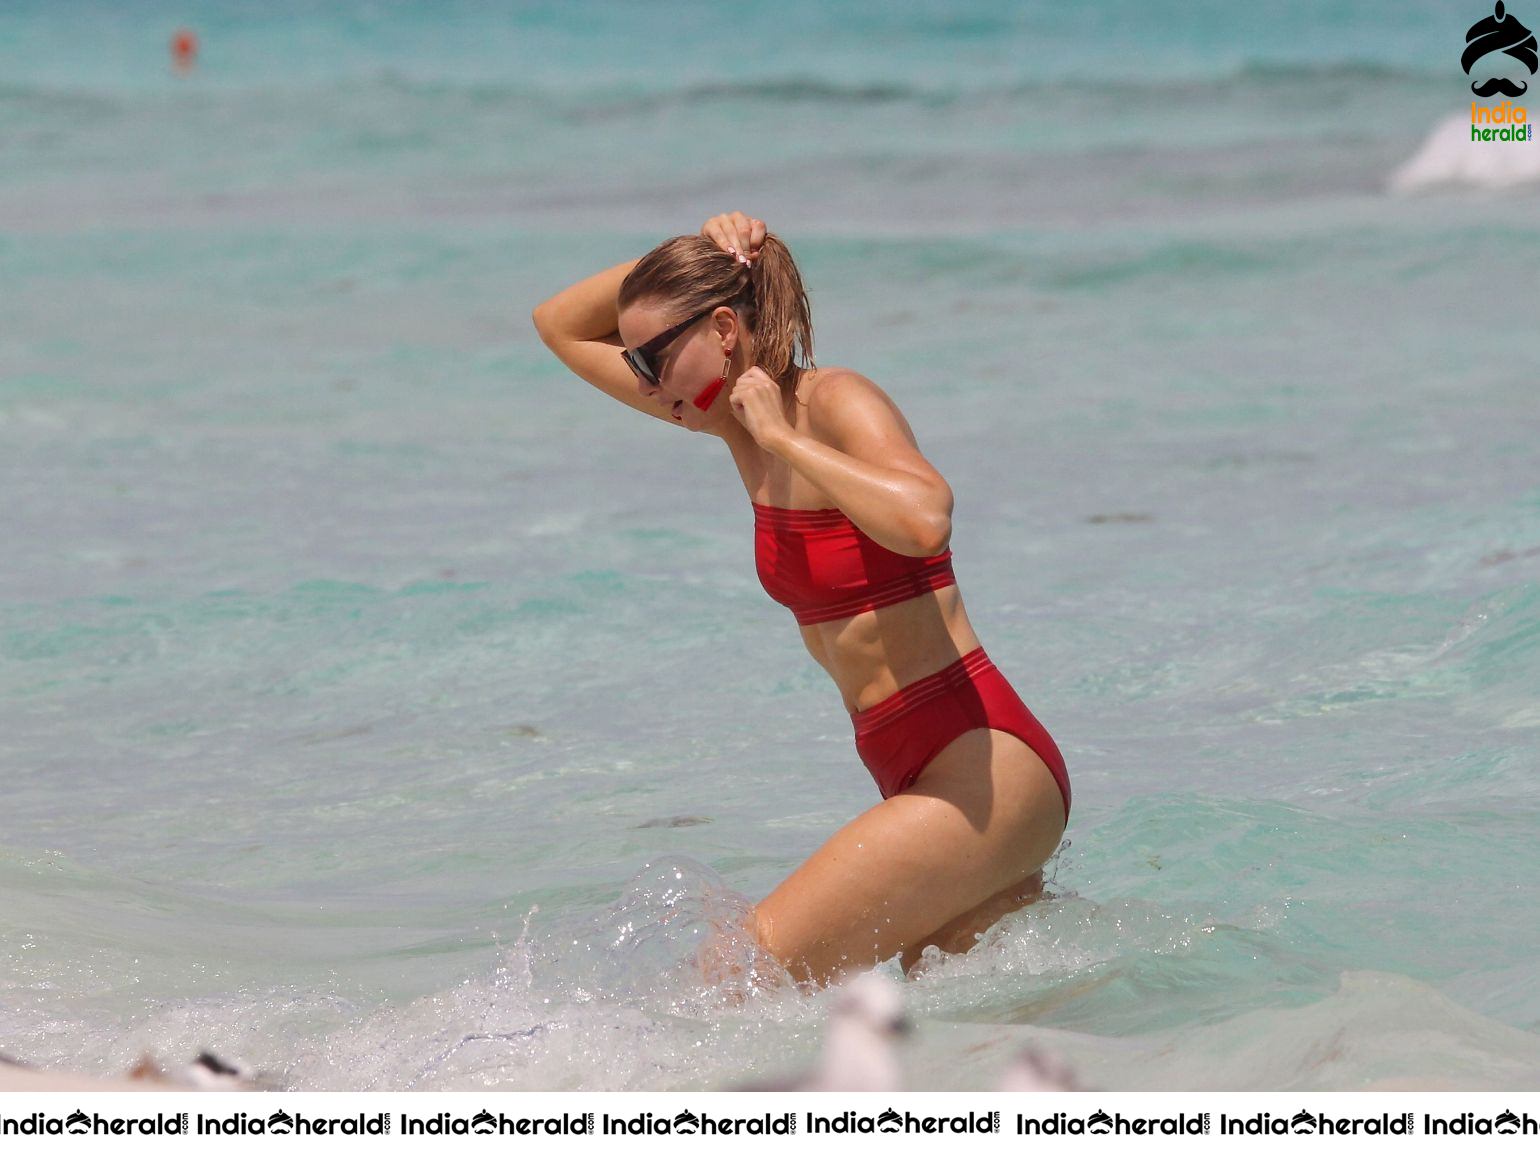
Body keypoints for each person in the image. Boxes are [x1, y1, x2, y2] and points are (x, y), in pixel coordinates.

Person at [531, 212, 1071, 986]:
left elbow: (926, 519)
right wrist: (708, 253)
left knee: (736, 978)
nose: (644, 385)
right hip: (915, 769)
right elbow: (558, 325)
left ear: (724, 330)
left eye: (652, 359)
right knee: (982, 1034)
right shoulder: (725, 422)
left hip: (981, 767)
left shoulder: (833, 401)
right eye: (636, 363)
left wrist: (785, 438)